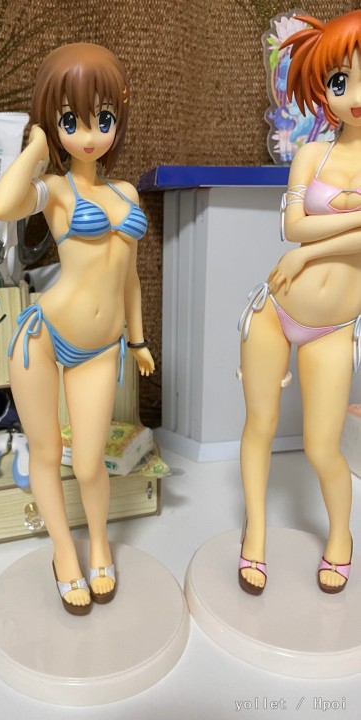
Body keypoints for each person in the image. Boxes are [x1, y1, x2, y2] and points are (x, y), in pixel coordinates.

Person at [0, 43, 154, 615]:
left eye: (102, 119)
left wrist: (137, 339)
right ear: (54, 122)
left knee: (87, 463)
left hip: (102, 347)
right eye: (70, 121)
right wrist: (37, 147)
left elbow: (130, 278)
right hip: (43, 335)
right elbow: (2, 205)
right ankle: (65, 552)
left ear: (119, 116)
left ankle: (100, 543)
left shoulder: (127, 193)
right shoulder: (57, 190)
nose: (88, 136)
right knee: (44, 452)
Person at [238, 10, 361, 596]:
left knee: (321, 447)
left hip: (333, 327)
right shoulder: (311, 154)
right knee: (259, 426)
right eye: (340, 81)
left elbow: (306, 239)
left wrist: (311, 252)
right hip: (273, 310)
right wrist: (320, 240)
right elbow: (291, 227)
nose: (354, 96)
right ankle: (256, 534)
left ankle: (341, 534)